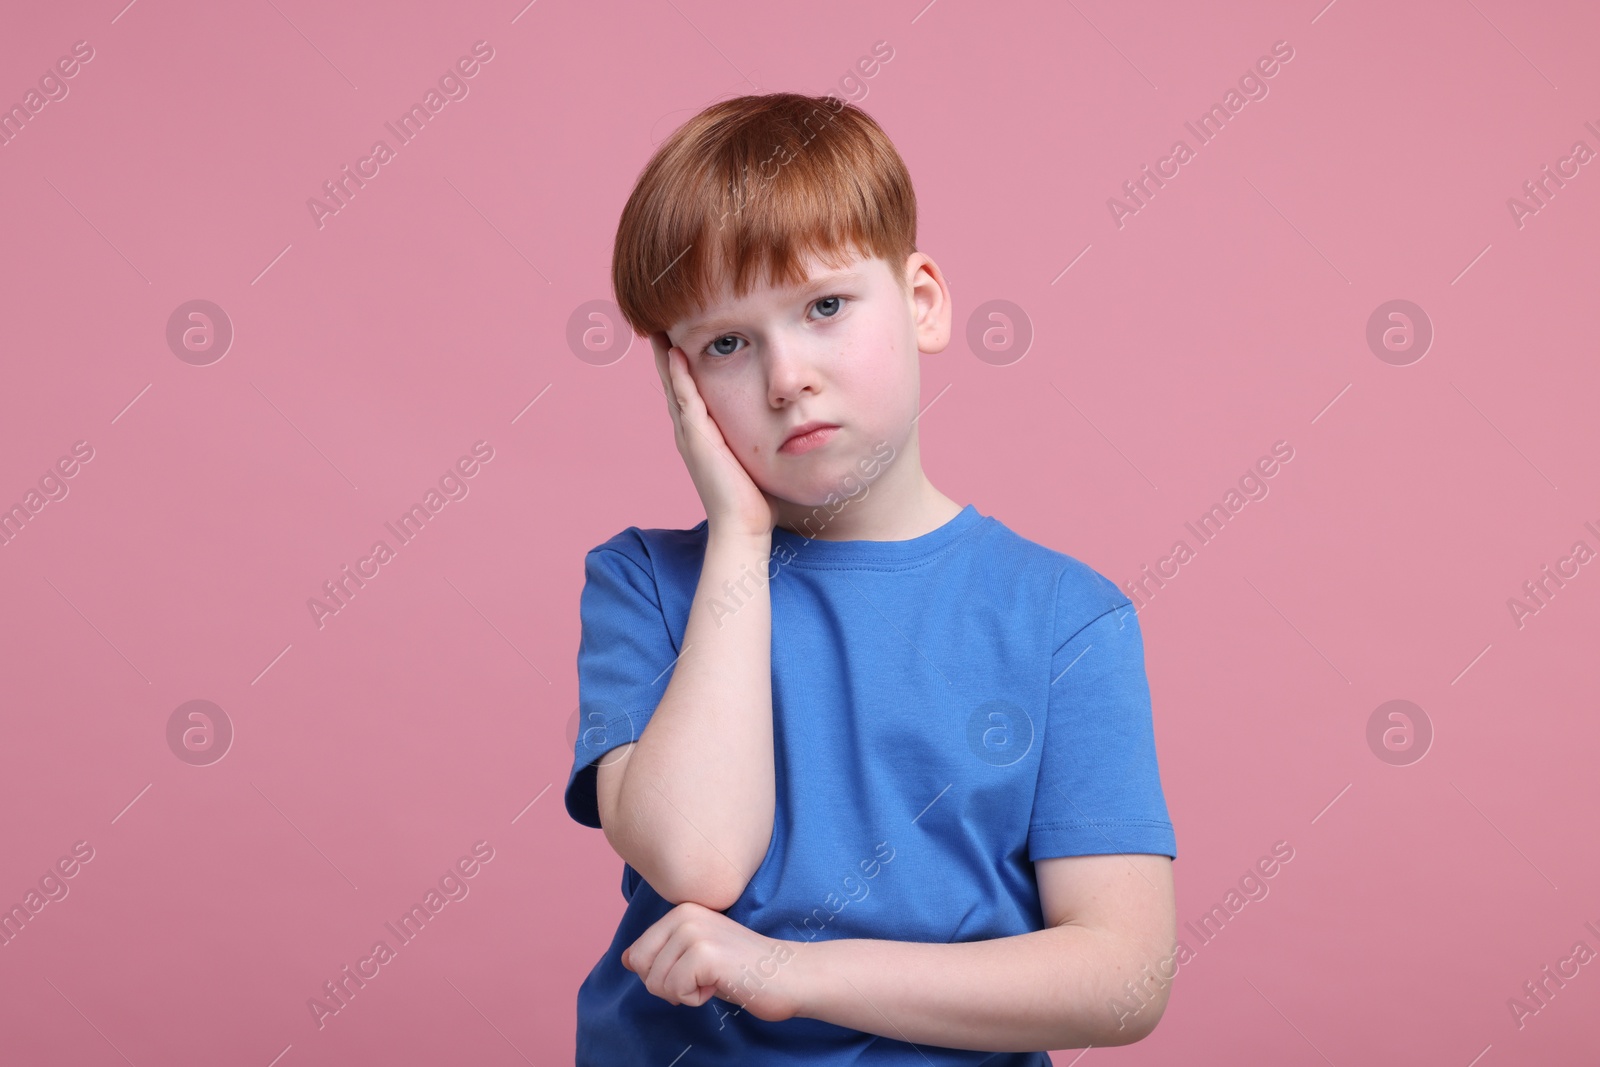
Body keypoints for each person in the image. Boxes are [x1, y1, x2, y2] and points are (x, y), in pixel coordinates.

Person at [564, 91, 1178, 1064]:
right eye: (726, 343)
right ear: (676, 384)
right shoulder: (645, 582)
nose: (785, 376)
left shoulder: (1065, 618)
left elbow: (1125, 977)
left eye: (823, 307)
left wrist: (789, 972)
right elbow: (699, 858)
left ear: (921, 301)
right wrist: (736, 533)